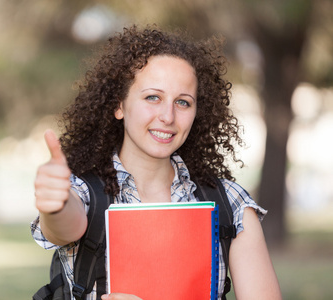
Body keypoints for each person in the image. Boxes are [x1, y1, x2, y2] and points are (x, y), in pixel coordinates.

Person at [31, 25, 282, 300]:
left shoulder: (229, 204)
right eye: (153, 97)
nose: (168, 116)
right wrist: (56, 203)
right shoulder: (82, 193)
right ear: (119, 106)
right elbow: (65, 223)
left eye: (183, 103)